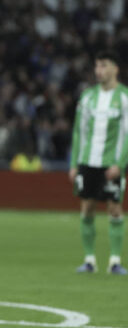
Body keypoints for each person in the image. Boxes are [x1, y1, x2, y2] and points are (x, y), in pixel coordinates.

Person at [69, 50, 128, 275]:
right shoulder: (87, 97)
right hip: (87, 161)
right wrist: (74, 164)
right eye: (97, 66)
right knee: (87, 207)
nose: (99, 71)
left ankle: (114, 261)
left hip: (111, 163)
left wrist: (120, 164)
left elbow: (127, 133)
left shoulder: (124, 97)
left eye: (104, 66)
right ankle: (89, 260)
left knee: (114, 208)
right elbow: (78, 132)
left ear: (115, 69)